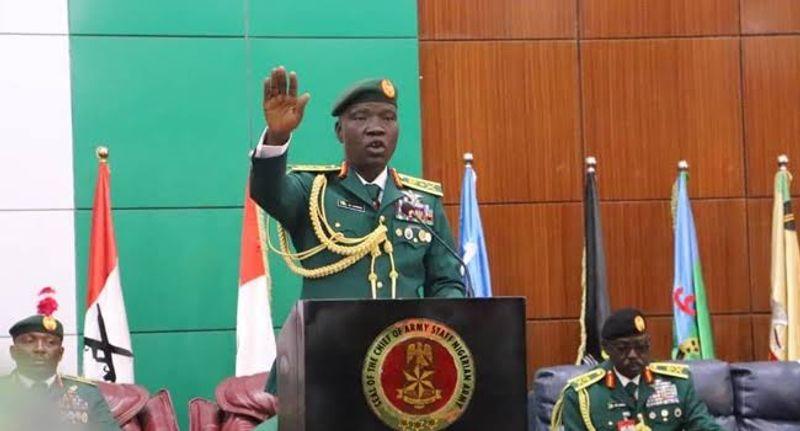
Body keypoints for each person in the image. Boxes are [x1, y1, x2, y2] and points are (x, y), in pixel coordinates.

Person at [249, 67, 466, 429]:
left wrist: (439, 334)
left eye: (388, 118)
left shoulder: (424, 202)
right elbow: (267, 193)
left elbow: (448, 282)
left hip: (401, 370)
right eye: (361, 117)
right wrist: (277, 136)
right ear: (339, 131)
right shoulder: (313, 191)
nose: (376, 127)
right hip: (326, 367)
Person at [550, 308, 722, 431]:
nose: (633, 355)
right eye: (623, 348)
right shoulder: (582, 396)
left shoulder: (677, 383)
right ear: (607, 349)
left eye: (641, 347)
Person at [0, 313, 120, 430]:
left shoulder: (87, 395)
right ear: (13, 352)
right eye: (29, 341)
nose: (40, 349)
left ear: (60, 354)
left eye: (50, 342)